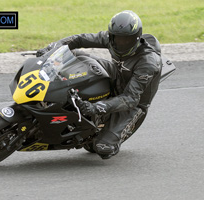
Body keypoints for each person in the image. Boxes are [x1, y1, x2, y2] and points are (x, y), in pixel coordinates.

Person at [36, 10, 162, 159]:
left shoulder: (148, 62)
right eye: (117, 38)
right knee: (77, 56)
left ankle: (109, 133)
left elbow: (130, 98)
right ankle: (52, 91)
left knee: (103, 148)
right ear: (111, 35)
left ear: (136, 38)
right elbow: (79, 39)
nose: (120, 43)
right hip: (116, 74)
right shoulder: (109, 39)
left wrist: (96, 108)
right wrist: (53, 48)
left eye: (126, 40)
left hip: (134, 104)